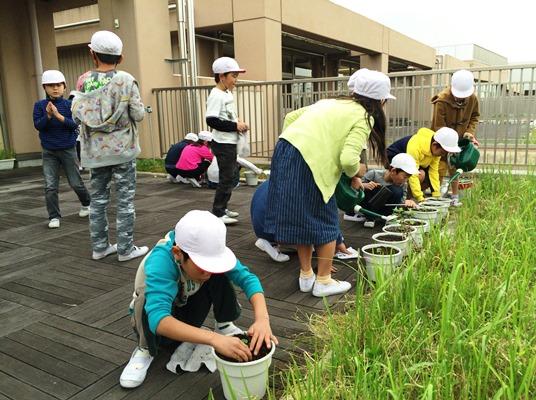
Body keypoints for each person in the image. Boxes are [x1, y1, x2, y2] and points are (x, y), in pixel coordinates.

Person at [264, 68, 394, 297]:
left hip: (285, 152)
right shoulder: (364, 116)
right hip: (309, 163)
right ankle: (323, 281)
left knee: (303, 217)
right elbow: (349, 160)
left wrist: (300, 146)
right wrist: (356, 172)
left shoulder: (329, 102)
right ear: (380, 100)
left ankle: (306, 275)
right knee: (326, 220)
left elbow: (290, 118)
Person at [119, 210, 277, 389]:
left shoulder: (208, 249)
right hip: (155, 325)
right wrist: (213, 339)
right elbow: (158, 318)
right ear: (178, 253)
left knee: (220, 274)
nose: (207, 271)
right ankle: (145, 349)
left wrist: (262, 319)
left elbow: (248, 279)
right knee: (145, 299)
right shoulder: (161, 261)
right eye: (202, 265)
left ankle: (224, 325)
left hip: (187, 306)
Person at [71, 31, 148, 262]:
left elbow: (78, 115)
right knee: (125, 202)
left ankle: (100, 247)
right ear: (120, 58)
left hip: (95, 153)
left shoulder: (84, 81)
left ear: (92, 54)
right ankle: (125, 249)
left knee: (98, 201)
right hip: (123, 151)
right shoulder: (126, 80)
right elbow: (138, 114)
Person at [33, 70, 91, 229]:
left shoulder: (70, 105)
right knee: (50, 186)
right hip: (49, 151)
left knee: (75, 182)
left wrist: (58, 116)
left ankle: (87, 203)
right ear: (44, 87)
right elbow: (38, 126)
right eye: (51, 85)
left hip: (68, 149)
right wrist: (48, 116)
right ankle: (54, 216)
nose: (55, 88)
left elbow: (75, 124)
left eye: (58, 85)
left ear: (64, 87)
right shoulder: (39, 106)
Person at [206, 57, 248, 225]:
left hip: (229, 141)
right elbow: (212, 120)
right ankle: (218, 212)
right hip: (223, 143)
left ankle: (222, 208)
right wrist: (235, 126)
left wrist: (238, 122)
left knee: (230, 176)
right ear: (221, 76)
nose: (235, 80)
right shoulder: (216, 95)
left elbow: (227, 115)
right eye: (233, 76)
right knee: (227, 177)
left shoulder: (227, 93)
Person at [431, 69, 480, 206]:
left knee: (456, 167)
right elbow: (438, 125)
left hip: (460, 140)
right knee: (439, 168)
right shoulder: (442, 100)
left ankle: (454, 197)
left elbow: (475, 116)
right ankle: (436, 199)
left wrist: (469, 132)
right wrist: (447, 144)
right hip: (442, 140)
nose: (461, 99)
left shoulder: (472, 98)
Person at [386, 127, 461, 204]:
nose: (443, 155)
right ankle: (400, 200)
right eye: (442, 153)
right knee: (419, 175)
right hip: (393, 161)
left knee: (423, 175)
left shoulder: (436, 150)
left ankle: (409, 200)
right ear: (434, 145)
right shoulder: (415, 147)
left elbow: (433, 172)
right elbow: (413, 174)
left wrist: (436, 196)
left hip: (412, 165)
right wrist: (420, 198)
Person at [357, 153, 419, 228]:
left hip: (385, 210)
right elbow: (354, 187)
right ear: (393, 171)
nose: (406, 180)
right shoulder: (373, 174)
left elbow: (400, 203)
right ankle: (370, 217)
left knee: (397, 190)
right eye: (405, 177)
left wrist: (407, 203)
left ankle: (388, 217)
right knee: (372, 187)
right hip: (367, 208)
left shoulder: (403, 184)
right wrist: (364, 185)